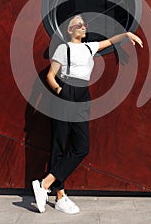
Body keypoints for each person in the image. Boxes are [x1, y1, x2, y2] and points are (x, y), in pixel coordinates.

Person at [32, 14, 143, 214]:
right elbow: (50, 75)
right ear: (70, 29)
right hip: (66, 92)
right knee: (59, 144)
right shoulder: (62, 48)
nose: (84, 27)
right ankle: (60, 197)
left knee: (82, 147)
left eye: (85, 25)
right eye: (79, 25)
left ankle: (44, 184)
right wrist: (59, 90)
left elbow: (109, 41)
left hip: (83, 94)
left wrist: (126, 34)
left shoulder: (89, 47)